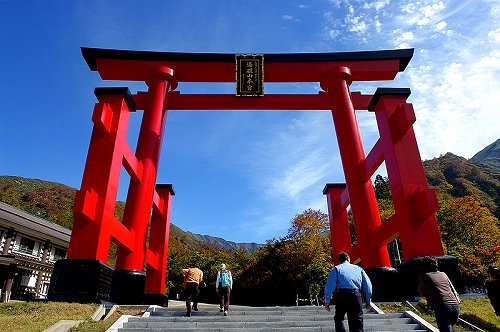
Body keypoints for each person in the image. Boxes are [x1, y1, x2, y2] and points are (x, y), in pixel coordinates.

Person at [324, 252, 373, 332]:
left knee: (339, 318)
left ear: (339, 260)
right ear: (347, 258)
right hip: (356, 294)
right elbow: (368, 286)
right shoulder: (359, 269)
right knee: (357, 318)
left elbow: (329, 287)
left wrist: (327, 301)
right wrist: (368, 301)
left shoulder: (336, 269)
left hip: (342, 295)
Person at [418, 256, 461, 332]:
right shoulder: (443, 274)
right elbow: (452, 288)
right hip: (455, 307)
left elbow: (421, 293)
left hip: (442, 308)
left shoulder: (424, 276)